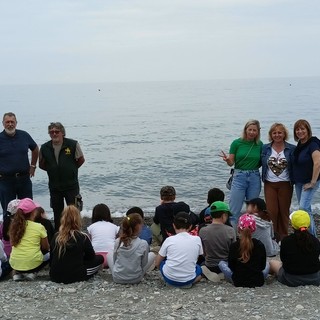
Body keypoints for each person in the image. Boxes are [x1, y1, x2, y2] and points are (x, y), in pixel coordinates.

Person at [39, 122, 85, 231]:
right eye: (51, 132)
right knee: (57, 213)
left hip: (71, 185)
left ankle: (76, 232)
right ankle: (58, 235)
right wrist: (53, 170)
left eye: (57, 132)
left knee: (74, 211)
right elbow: (41, 164)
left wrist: (71, 170)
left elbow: (81, 160)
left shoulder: (73, 144)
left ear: (62, 133)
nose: (54, 134)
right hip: (55, 187)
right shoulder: (45, 147)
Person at [221, 120, 263, 226]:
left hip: (254, 177)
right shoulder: (236, 143)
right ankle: (233, 238)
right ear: (245, 130)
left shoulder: (260, 144)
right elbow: (231, 163)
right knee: (234, 211)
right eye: (250, 130)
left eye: (254, 130)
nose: (252, 132)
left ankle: (251, 237)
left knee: (253, 211)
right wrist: (227, 160)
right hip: (239, 176)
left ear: (258, 132)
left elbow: (263, 161)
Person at [50, 205, 103, 284]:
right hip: (76, 276)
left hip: (54, 276)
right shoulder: (83, 237)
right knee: (100, 258)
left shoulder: (56, 237)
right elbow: (91, 257)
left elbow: (52, 257)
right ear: (78, 219)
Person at [0, 112, 38, 222]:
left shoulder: (24, 135)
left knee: (28, 209)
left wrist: (33, 166)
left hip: (24, 179)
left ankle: (29, 234)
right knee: (8, 211)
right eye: (7, 122)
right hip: (5, 181)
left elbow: (35, 149)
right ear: (3, 123)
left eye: (12, 122)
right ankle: (8, 237)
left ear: (16, 123)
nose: (10, 124)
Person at [261, 123, 295, 240]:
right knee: (271, 212)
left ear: (284, 134)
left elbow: (299, 164)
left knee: (284, 212)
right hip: (269, 184)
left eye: (280, 132)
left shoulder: (291, 148)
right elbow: (256, 161)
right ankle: (273, 237)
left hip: (286, 184)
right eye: (274, 133)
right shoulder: (265, 148)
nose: (277, 135)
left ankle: (284, 237)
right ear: (271, 135)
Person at [269, 210, 320, 287]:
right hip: (315, 278)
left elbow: (284, 261)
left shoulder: (286, 241)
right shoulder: (315, 241)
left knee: (272, 263)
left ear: (292, 225)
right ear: (308, 225)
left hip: (291, 279)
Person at [219, 214, 269, 287]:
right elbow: (262, 266)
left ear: (239, 228)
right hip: (258, 281)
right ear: (254, 229)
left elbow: (231, 266)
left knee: (221, 263)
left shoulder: (234, 246)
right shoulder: (259, 244)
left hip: (238, 281)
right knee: (268, 264)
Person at [155, 212, 203, 288]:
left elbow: (157, 263)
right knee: (199, 268)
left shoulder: (169, 240)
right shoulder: (197, 239)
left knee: (163, 262)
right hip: (188, 278)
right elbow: (196, 259)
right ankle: (190, 281)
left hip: (170, 278)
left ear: (174, 225)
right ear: (190, 226)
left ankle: (172, 280)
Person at [9, 198, 50, 281]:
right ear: (34, 212)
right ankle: (33, 272)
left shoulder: (13, 226)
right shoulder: (39, 227)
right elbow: (46, 247)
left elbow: (12, 244)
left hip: (14, 264)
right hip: (33, 265)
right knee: (50, 253)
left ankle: (17, 274)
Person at [292, 119, 320, 237]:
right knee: (305, 208)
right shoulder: (300, 144)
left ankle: (312, 239)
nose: (300, 131)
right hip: (299, 182)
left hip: (309, 182)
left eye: (302, 129)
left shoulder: (313, 143)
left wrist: (313, 182)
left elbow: (318, 162)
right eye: (297, 129)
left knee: (303, 208)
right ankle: (309, 238)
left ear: (308, 130)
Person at [111, 213, 156, 284]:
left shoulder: (118, 241)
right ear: (138, 227)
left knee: (109, 254)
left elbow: (115, 259)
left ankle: (119, 271)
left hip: (117, 278)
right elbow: (143, 263)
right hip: (135, 279)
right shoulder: (143, 243)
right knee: (152, 255)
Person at [199, 201, 236, 282]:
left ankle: (205, 273)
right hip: (225, 264)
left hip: (209, 264)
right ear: (224, 215)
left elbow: (203, 251)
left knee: (201, 265)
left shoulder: (203, 230)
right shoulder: (230, 230)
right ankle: (223, 274)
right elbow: (233, 250)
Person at [87, 203, 119, 268]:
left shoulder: (91, 227)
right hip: (111, 259)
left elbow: (88, 243)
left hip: (96, 258)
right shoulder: (114, 227)